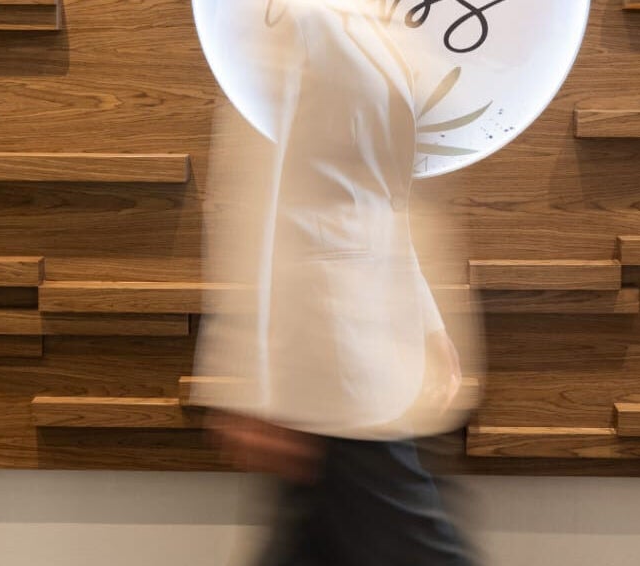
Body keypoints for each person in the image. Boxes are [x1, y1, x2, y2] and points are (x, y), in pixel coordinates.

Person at [191, 1, 482, 564]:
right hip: (332, 354)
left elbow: (388, 199)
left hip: (376, 349)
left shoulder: (393, 30)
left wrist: (428, 323)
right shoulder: (303, 22)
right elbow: (262, 202)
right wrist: (255, 384)